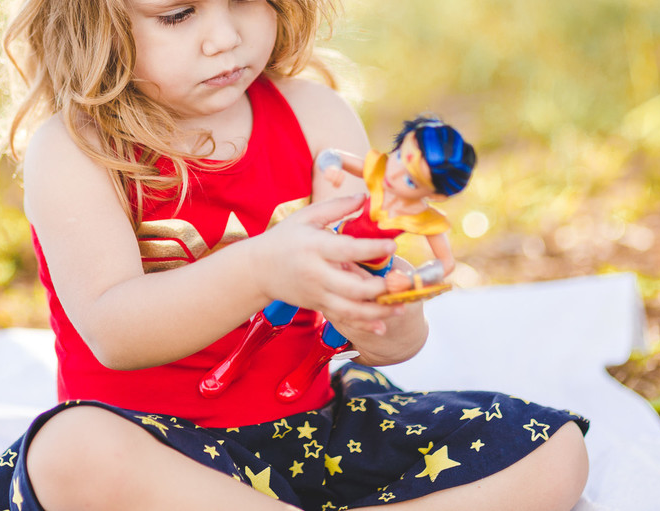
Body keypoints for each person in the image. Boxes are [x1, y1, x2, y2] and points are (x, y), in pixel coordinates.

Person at [0, 0, 588, 511]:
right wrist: (264, 265)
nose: (224, 37)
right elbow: (114, 329)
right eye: (179, 14)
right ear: (90, 14)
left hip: (315, 430)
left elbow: (387, 338)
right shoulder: (76, 150)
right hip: (162, 453)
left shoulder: (313, 117)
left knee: (555, 452)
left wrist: (382, 313)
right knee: (70, 454)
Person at [200, 117, 476, 403]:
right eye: (398, 157)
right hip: (333, 244)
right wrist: (330, 167)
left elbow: (445, 264)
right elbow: (333, 155)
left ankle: (311, 368)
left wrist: (414, 279)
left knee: (344, 320)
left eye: (410, 179)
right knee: (285, 296)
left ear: (437, 195)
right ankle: (240, 356)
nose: (395, 174)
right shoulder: (380, 173)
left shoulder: (423, 217)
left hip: (372, 268)